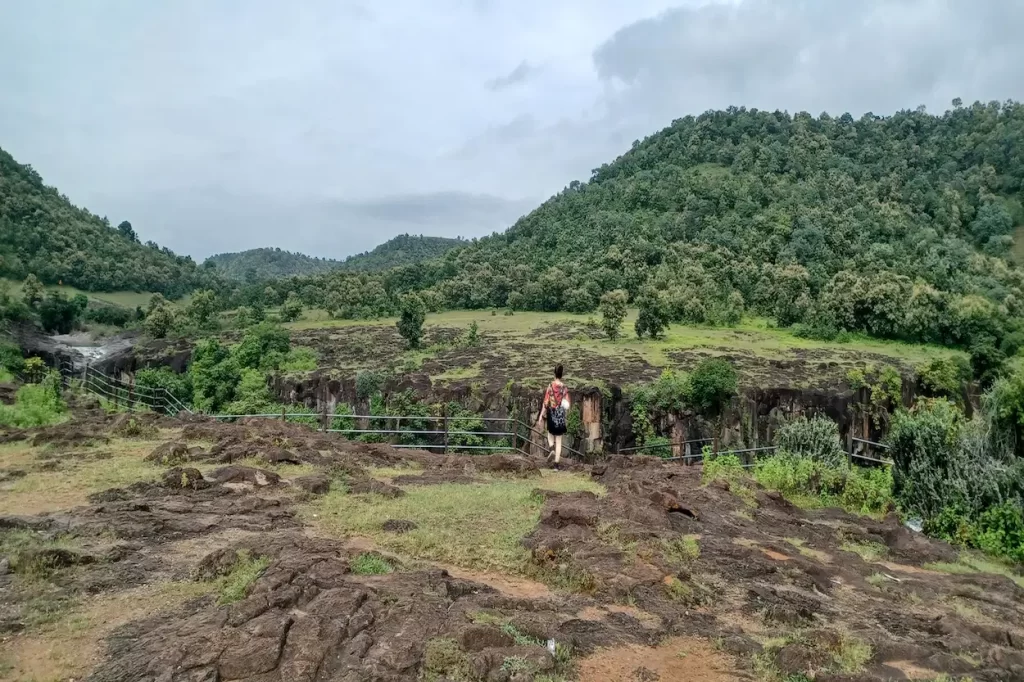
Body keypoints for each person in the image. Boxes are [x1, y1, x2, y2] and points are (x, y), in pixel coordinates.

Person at [538, 364, 569, 469]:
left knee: (550, 435)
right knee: (559, 440)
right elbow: (567, 404)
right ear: (561, 374)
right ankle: (556, 466)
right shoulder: (564, 388)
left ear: (554, 373)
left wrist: (541, 416)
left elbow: (545, 402)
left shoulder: (550, 386)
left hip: (551, 414)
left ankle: (551, 449)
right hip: (560, 415)